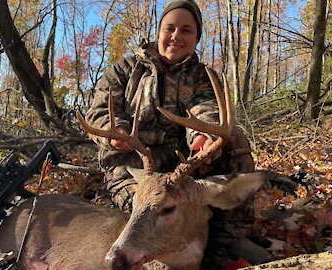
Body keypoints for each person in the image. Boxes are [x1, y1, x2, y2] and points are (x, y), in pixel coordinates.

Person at [86, 0, 267, 268]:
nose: (176, 37)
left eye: (186, 30)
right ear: (158, 32)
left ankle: (227, 239)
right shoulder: (124, 71)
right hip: (132, 168)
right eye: (169, 28)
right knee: (147, 216)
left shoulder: (202, 76)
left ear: (196, 38)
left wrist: (202, 138)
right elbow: (101, 109)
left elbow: (207, 108)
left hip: (177, 170)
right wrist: (117, 133)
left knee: (234, 138)